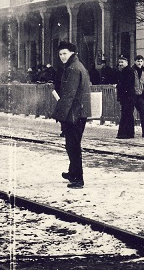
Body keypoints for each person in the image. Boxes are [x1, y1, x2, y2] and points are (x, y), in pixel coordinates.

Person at [51, 41, 91, 189]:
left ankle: (78, 179)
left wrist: (59, 115)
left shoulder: (73, 69)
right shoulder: (77, 65)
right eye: (60, 54)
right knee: (71, 144)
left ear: (72, 53)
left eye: (65, 53)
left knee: (73, 146)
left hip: (74, 113)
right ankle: (72, 172)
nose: (62, 56)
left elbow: (69, 95)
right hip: (78, 112)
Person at [115, 55, 136, 139]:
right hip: (126, 96)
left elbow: (126, 84)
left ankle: (124, 133)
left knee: (126, 114)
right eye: (119, 62)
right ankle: (129, 133)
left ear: (126, 62)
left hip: (128, 96)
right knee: (128, 114)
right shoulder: (123, 71)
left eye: (122, 62)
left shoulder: (128, 71)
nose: (120, 64)